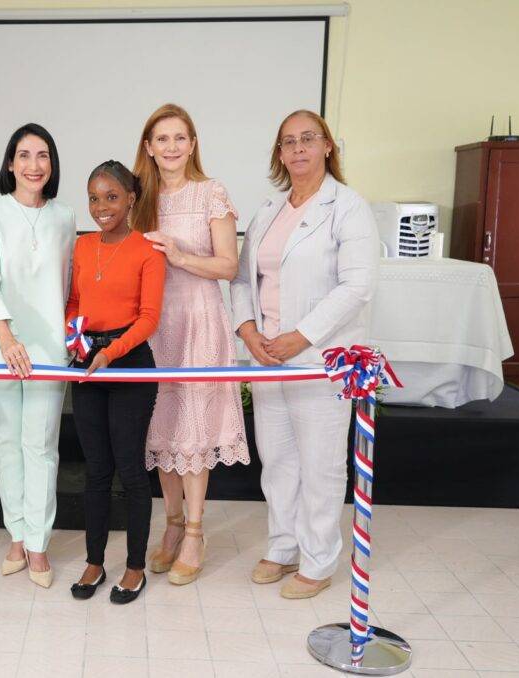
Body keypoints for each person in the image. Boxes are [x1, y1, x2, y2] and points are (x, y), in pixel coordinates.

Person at [230, 109, 379, 599]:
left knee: (320, 464)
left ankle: (318, 560)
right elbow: (242, 279)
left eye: (308, 139)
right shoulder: (270, 208)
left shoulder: (348, 207)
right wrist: (249, 331)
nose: (297, 149)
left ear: (328, 146)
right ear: (279, 153)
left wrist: (302, 335)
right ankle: (282, 546)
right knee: (277, 461)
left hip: (320, 358)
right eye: (288, 142)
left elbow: (357, 285)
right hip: (267, 356)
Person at [133, 103, 249, 585]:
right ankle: (173, 526)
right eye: (162, 139)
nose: (172, 147)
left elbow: (229, 267)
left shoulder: (210, 193)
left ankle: (197, 532)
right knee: (163, 431)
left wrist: (180, 256)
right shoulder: (140, 198)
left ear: (193, 144)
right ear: (148, 147)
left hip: (200, 320)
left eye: (180, 138)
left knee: (195, 434)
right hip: (156, 325)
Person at [0, 123, 76, 588]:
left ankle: (38, 543)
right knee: (6, 443)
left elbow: (68, 287)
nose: (34, 165)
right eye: (24, 155)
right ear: (10, 163)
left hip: (48, 351)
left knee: (41, 447)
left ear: (52, 165)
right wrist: (7, 341)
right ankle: (15, 535)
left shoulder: (66, 217)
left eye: (43, 155)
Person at [67, 161, 165, 604]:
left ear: (130, 198)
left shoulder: (148, 249)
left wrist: (110, 353)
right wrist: (76, 339)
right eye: (93, 197)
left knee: (130, 471)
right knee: (95, 472)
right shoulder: (83, 247)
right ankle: (94, 561)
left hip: (129, 366)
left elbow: (148, 319)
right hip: (87, 364)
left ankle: (135, 567)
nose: (100, 207)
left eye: (110, 197)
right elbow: (74, 302)